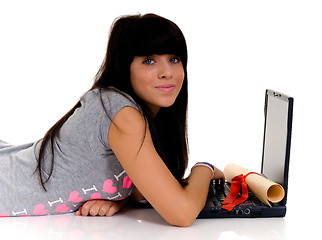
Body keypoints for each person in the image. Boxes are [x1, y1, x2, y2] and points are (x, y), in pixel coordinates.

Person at [0, 13, 224, 227]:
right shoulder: (121, 113)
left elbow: (144, 188)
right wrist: (204, 168)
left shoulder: (132, 111)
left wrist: (120, 198)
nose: (167, 72)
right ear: (125, 67)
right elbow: (181, 213)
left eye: (174, 59)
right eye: (149, 61)